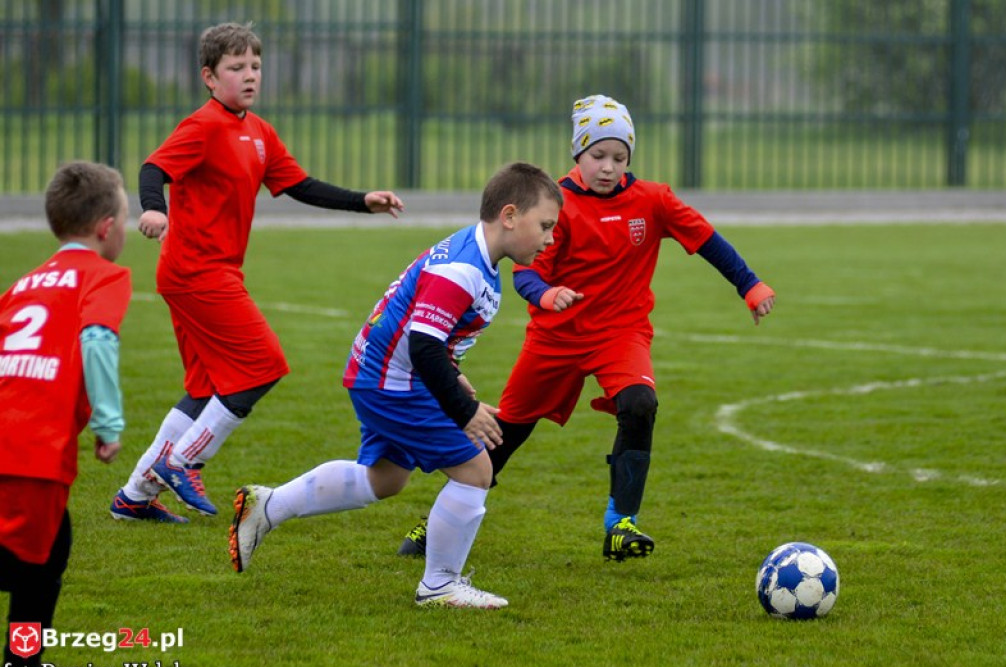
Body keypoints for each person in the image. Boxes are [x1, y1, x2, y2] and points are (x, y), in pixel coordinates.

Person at [397, 94, 776, 561]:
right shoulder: (555, 203)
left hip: (621, 334)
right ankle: (436, 522)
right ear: (578, 153)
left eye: (620, 157)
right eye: (598, 155)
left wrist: (750, 285)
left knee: (640, 404)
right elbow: (527, 274)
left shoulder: (654, 200)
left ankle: (621, 524)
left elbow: (708, 240)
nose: (608, 167)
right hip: (555, 339)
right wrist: (548, 295)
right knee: (505, 432)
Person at [228, 162, 562, 609]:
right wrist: (464, 412)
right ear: (509, 215)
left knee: (385, 479)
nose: (550, 238)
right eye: (544, 225)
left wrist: (454, 376)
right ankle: (440, 585)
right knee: (476, 470)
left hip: (381, 374)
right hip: (392, 382)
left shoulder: (477, 256)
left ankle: (266, 506)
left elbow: (426, 335)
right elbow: (423, 345)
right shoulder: (462, 269)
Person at [109, 22, 405, 523]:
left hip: (211, 273)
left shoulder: (258, 131)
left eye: (255, 66)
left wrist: (363, 201)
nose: (249, 76)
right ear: (209, 76)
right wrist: (154, 208)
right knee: (263, 365)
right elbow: (153, 169)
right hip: (195, 272)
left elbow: (300, 184)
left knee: (204, 389)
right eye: (236, 67)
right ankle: (184, 461)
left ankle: (135, 496)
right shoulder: (202, 126)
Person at [0, 162, 131, 667]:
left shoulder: (24, 282)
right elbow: (97, 339)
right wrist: (109, 423)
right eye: (125, 216)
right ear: (105, 227)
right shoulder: (105, 275)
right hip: (32, 453)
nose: (126, 226)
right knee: (34, 571)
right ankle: (22, 666)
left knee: (50, 555)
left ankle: (22, 664)